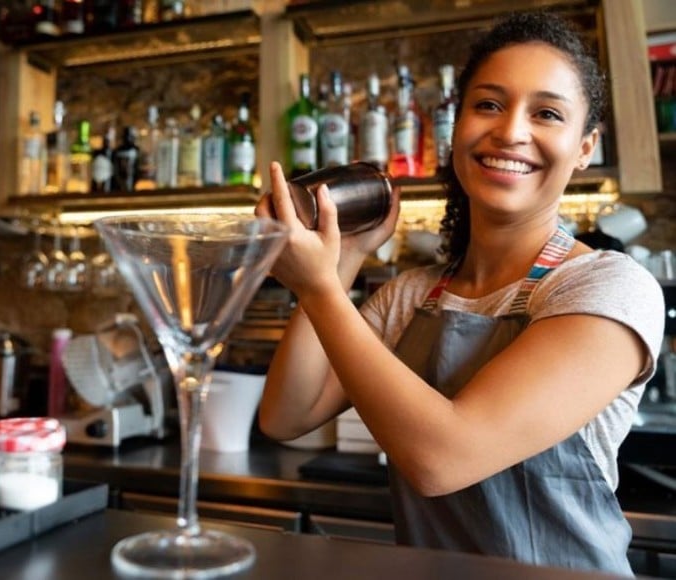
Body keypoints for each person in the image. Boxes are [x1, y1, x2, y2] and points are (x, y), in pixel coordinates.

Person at [255, 10, 665, 576]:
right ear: (456, 126)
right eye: (488, 104)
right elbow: (286, 414)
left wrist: (321, 288)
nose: (511, 131)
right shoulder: (412, 295)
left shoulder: (606, 287)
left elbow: (442, 459)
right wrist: (345, 259)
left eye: (546, 113)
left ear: (585, 147)